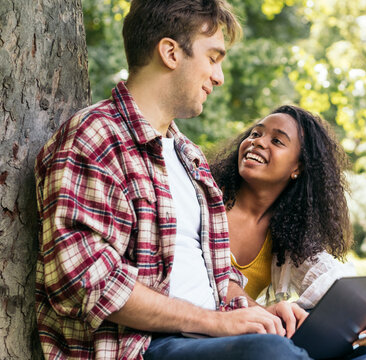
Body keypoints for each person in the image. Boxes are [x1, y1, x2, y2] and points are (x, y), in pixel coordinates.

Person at [34, 1, 309, 359]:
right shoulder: (95, 136)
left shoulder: (188, 155)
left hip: (208, 338)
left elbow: (215, 275)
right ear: (170, 53)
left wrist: (255, 313)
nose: (219, 76)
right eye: (213, 58)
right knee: (269, 353)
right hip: (141, 346)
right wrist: (216, 324)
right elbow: (87, 283)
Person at [210, 104, 366, 358]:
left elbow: (326, 276)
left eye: (277, 140)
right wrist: (261, 311)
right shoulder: (209, 201)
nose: (258, 142)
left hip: (261, 331)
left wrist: (363, 311)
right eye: (255, 134)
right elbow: (212, 281)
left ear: (298, 168)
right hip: (215, 331)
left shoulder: (285, 230)